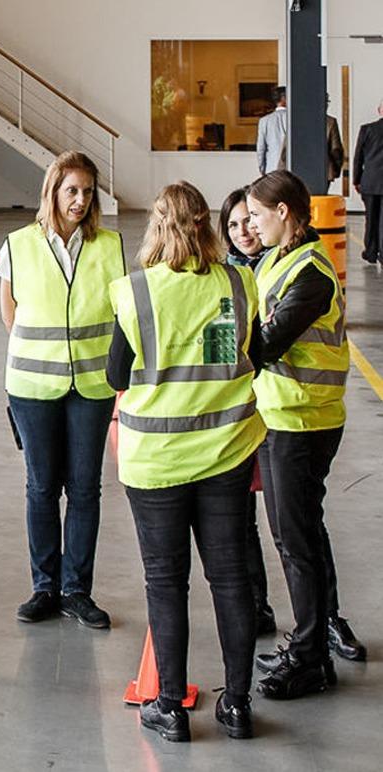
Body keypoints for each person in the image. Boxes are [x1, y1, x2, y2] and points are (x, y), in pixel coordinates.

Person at [108, 181, 264, 743]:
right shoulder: (236, 281)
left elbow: (114, 376)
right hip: (225, 454)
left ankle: (170, 706)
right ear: (207, 224)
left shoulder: (135, 291)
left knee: (166, 583)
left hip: (156, 462)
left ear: (157, 226)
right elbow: (244, 355)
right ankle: (239, 705)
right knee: (231, 579)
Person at [0, 151, 126, 629]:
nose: (80, 200)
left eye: (88, 192)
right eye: (72, 190)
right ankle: (44, 586)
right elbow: (9, 313)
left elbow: (121, 311)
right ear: (52, 192)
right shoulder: (17, 244)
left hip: (91, 385)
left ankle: (77, 590)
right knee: (42, 486)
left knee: (86, 489)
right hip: (32, 384)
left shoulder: (110, 244)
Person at [244, 170, 357, 699]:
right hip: (282, 416)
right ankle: (311, 644)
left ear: (284, 212)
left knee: (296, 541)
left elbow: (265, 342)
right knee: (299, 534)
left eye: (259, 215)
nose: (252, 225)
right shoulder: (276, 260)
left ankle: (311, 657)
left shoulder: (311, 273)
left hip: (304, 421)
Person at [219, 187, 276, 637]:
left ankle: (326, 618)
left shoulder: (280, 269)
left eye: (249, 222)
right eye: (234, 225)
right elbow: (220, 351)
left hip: (280, 410)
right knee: (242, 521)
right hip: (240, 412)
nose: (244, 233)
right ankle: (258, 606)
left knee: (293, 523)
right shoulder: (223, 280)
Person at [354, 99, 383, 263]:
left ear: (379, 110)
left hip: (370, 181)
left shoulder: (367, 129)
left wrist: (356, 179)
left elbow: (359, 157)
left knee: (371, 218)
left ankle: (371, 252)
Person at [256, 86, 288, 176]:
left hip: (272, 168)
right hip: (292, 169)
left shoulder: (264, 121)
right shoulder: (295, 118)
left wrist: (262, 169)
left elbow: (261, 148)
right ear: (283, 98)